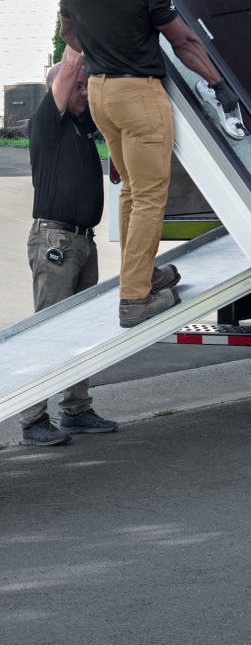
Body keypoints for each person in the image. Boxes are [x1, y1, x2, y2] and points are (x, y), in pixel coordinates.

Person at [59, 0, 238, 328]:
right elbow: (184, 44)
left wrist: (105, 44)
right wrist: (219, 84)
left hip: (101, 95)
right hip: (138, 97)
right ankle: (135, 297)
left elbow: (71, 35)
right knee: (150, 197)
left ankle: (139, 274)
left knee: (133, 191)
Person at [19, 48, 121, 445]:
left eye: (86, 86)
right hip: (56, 241)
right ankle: (32, 421)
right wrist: (78, 20)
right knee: (46, 332)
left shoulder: (80, 127)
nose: (85, 91)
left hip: (82, 241)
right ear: (58, 90)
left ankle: (76, 412)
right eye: (78, 86)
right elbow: (70, 69)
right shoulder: (49, 122)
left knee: (81, 331)